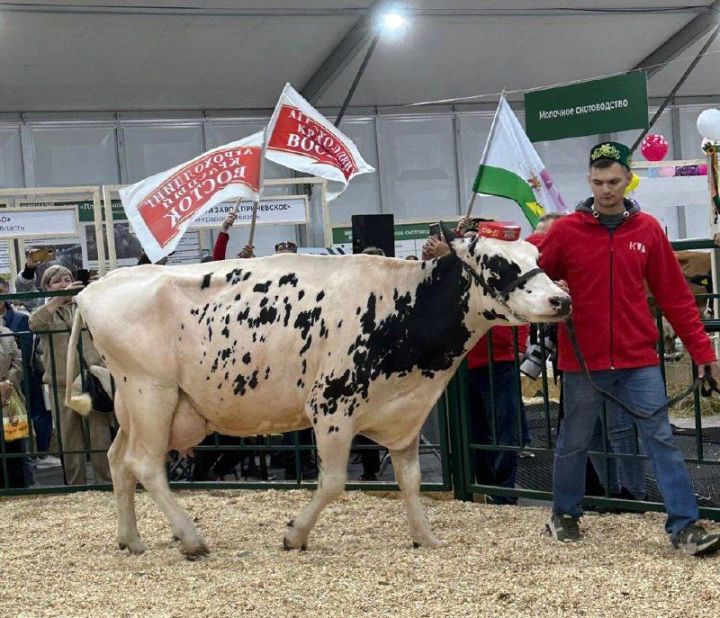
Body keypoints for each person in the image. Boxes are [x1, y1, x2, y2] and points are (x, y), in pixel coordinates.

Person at [540, 141, 720, 555]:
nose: (606, 189)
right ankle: (564, 514)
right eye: (599, 181)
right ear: (589, 180)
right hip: (582, 360)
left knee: (660, 439)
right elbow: (535, 277)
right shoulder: (565, 231)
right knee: (573, 440)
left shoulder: (648, 230)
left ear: (627, 179)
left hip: (638, 358)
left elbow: (675, 297)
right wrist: (552, 291)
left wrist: (701, 352)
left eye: (614, 181)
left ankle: (685, 527)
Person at [422, 226, 528, 503]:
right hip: (463, 360)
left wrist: (451, 257)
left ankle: (504, 492)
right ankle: (482, 487)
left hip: (497, 358)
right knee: (472, 432)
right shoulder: (452, 266)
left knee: (505, 430)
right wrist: (434, 261)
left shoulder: (493, 263)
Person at [29, 265, 113, 486]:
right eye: (57, 281)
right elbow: (34, 324)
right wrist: (58, 298)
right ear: (47, 287)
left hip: (91, 382)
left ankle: (106, 484)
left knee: (100, 437)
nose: (64, 283)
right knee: (70, 440)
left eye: (68, 279)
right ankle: (76, 488)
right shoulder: (46, 312)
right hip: (62, 386)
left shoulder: (87, 306)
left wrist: (95, 290)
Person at [0, 278, 54, 463]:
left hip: (23, 378)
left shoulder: (22, 318)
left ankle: (35, 457)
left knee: (29, 418)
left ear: (6, 290)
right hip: (7, 379)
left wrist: (9, 380)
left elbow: (25, 351)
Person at [0, 324, 33, 488]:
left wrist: (6, 383)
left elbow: (18, 362)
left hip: (9, 397)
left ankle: (19, 488)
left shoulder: (6, 333)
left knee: (16, 448)